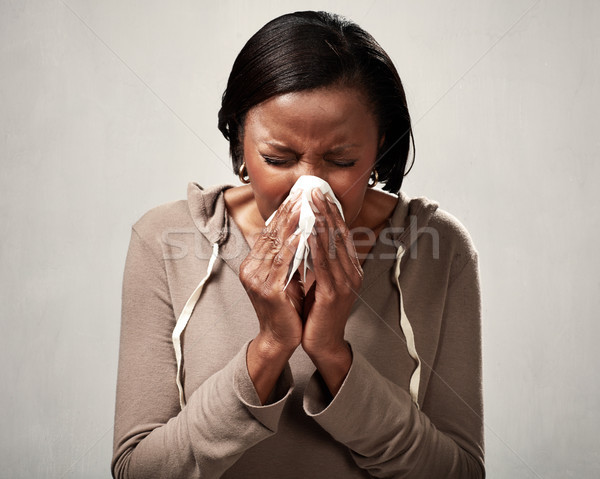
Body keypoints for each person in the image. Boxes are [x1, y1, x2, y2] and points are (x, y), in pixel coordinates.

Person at [111, 11, 484, 479]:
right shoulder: (163, 239)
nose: (308, 187)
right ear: (239, 146)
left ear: (379, 148)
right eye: (277, 158)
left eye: (341, 160)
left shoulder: (439, 248)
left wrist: (333, 353)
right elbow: (137, 471)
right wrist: (269, 349)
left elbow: (461, 473)